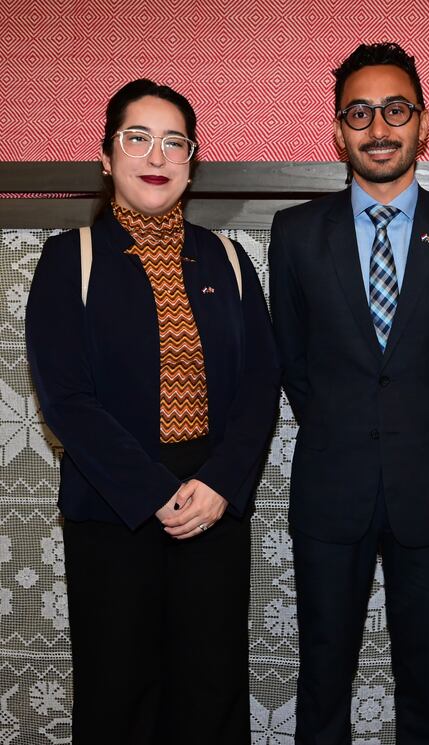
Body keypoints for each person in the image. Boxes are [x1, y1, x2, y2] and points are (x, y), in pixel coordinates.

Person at [25, 79, 280, 745]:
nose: (156, 155)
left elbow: (260, 382)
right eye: (137, 137)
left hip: (213, 501)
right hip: (115, 509)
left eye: (175, 142)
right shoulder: (67, 260)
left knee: (211, 690)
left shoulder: (228, 258)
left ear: (192, 162)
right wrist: (154, 492)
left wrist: (221, 482)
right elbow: (66, 399)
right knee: (119, 693)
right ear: (107, 157)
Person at [269, 42, 429, 744]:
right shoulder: (296, 233)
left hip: (427, 487)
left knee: (426, 679)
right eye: (360, 112)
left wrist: (413, 427)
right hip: (329, 487)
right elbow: (295, 364)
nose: (379, 127)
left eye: (395, 109)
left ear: (422, 123)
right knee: (322, 677)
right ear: (338, 131)